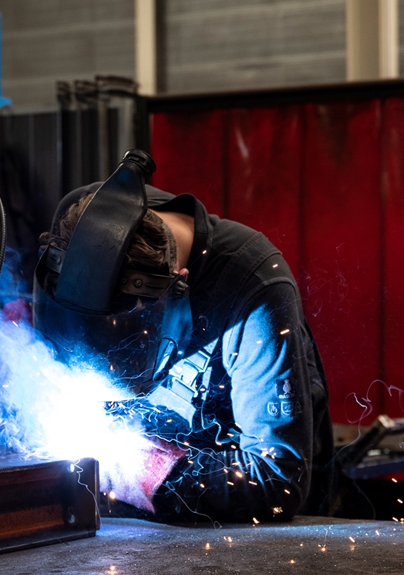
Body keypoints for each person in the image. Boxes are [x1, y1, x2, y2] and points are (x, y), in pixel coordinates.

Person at [33, 150, 333, 522]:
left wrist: (139, 469)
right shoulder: (83, 224)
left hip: (236, 545)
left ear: (180, 283)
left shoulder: (255, 291)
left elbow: (276, 480)